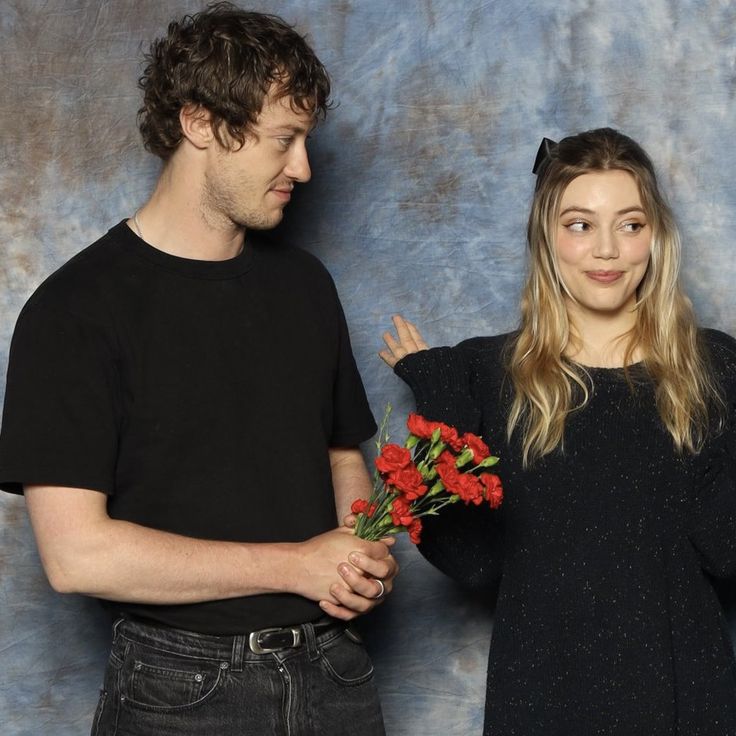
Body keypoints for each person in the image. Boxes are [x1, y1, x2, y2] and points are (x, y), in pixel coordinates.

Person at [0, 4, 397, 735]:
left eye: (304, 140)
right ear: (201, 124)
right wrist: (296, 565)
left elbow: (342, 451)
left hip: (337, 673)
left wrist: (354, 555)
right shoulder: (73, 312)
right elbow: (76, 555)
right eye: (284, 140)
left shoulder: (306, 285)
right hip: (179, 694)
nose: (302, 168)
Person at [380, 127, 736, 735]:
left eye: (630, 224)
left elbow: (724, 549)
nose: (607, 250)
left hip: (683, 698)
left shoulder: (713, 368)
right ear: (546, 236)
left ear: (656, 237)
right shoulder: (484, 374)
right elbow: (473, 561)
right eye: (579, 224)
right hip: (541, 698)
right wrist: (443, 401)